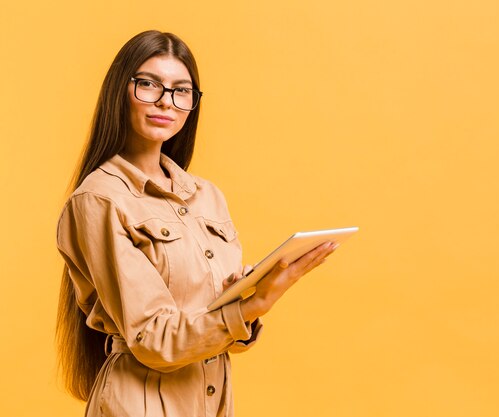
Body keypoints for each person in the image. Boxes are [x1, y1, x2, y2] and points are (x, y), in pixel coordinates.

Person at [55, 30, 338, 417]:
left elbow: (218, 332)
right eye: (149, 84)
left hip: (211, 401)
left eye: (180, 90)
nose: (165, 102)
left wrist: (241, 297)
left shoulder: (207, 195)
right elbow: (153, 339)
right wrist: (255, 304)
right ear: (120, 90)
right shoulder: (100, 199)